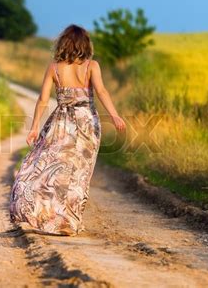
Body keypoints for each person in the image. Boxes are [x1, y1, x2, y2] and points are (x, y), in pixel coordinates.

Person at [9, 24, 126, 236]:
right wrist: (114, 114)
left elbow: (43, 99)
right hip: (87, 123)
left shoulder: (54, 68)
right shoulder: (92, 66)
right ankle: (69, 222)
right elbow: (101, 91)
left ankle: (43, 213)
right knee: (79, 174)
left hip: (61, 122)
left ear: (63, 43)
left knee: (47, 167)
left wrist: (35, 127)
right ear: (85, 44)